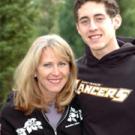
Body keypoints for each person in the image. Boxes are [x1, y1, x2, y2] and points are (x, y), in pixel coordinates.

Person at [0, 34, 83, 135]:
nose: (56, 73)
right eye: (47, 65)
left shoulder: (81, 102)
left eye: (62, 64)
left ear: (70, 68)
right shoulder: (12, 111)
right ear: (34, 70)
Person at [74, 0, 135, 135]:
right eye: (84, 21)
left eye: (99, 18)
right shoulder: (73, 72)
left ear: (116, 21)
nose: (92, 27)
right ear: (78, 28)